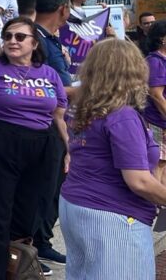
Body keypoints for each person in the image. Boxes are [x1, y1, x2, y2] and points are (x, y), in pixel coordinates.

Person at [0, 17, 69, 279]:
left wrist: (69, 150)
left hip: (42, 146)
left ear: (34, 43)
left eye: (20, 37)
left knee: (29, 213)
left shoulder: (49, 73)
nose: (12, 41)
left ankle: (17, 269)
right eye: (8, 36)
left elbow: (59, 116)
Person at [60, 39, 166, 280]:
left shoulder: (83, 107)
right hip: (113, 215)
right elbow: (138, 181)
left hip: (76, 204)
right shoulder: (122, 115)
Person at [29, 0, 73, 268]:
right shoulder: (35, 39)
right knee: (39, 190)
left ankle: (42, 242)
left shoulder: (50, 39)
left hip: (58, 124)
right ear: (63, 9)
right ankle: (29, 249)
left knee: (53, 187)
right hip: (40, 125)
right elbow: (47, 87)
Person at [143, 21, 166, 181]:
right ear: (162, 39)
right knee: (159, 162)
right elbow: (156, 95)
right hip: (158, 122)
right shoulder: (155, 61)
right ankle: (156, 202)